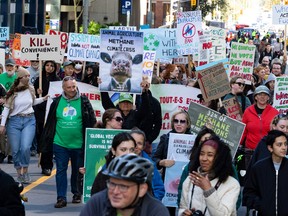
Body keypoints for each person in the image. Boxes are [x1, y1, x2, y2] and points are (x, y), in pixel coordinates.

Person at [39, 76, 96, 208]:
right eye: (69, 87)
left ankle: (76, 192)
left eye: (74, 86)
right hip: (60, 143)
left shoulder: (84, 101)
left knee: (77, 170)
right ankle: (61, 198)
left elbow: (91, 120)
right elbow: (51, 122)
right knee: (60, 170)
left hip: (78, 144)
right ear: (63, 88)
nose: (72, 90)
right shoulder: (57, 102)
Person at [0, 67, 49, 183]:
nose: (28, 78)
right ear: (20, 78)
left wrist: (43, 98)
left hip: (29, 120)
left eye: (28, 76)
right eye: (26, 76)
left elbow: (33, 102)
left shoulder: (31, 89)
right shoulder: (12, 92)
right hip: (14, 122)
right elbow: (6, 108)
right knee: (16, 150)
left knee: (25, 147)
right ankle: (19, 172)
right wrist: (2, 125)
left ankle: (25, 170)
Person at [80, 154, 170, 216]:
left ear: (142, 189)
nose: (115, 191)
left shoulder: (155, 211)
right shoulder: (96, 203)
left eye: (123, 187)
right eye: (112, 184)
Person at [178, 136, 240, 216]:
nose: (204, 159)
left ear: (220, 158)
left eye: (210, 155)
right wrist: (183, 213)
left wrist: (208, 190)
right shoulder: (190, 179)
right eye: (201, 154)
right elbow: (182, 207)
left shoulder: (232, 184)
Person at [152, 110, 192, 215]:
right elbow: (154, 159)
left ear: (187, 124)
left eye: (182, 121)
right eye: (176, 121)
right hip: (169, 184)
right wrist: (161, 162)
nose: (179, 124)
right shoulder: (165, 138)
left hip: (188, 183)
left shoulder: (194, 140)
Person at [243, 130, 288, 215]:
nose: (284, 147)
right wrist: (261, 204)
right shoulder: (258, 168)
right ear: (270, 148)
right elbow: (248, 193)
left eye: (285, 144)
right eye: (279, 145)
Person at [241, 85, 278, 175]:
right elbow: (243, 131)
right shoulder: (248, 111)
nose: (262, 97)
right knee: (250, 175)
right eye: (259, 94)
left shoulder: (274, 112)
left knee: (266, 176)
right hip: (250, 151)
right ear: (255, 97)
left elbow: (277, 133)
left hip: (267, 151)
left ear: (268, 97)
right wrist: (237, 145)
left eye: (265, 95)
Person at [34, 60, 60, 176]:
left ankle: (47, 166)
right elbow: (32, 97)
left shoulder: (57, 81)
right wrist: (37, 91)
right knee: (40, 138)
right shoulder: (38, 80)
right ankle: (42, 159)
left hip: (51, 113)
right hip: (39, 112)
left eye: (52, 66)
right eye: (47, 65)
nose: (49, 68)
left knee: (48, 138)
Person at [177, 126, 216, 206]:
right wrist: (183, 210)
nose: (206, 145)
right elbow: (181, 191)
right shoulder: (190, 166)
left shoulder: (227, 168)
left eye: (208, 141)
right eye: (202, 142)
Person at [130, 128, 165, 201]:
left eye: (139, 143)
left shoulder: (150, 164)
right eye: (133, 142)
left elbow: (159, 188)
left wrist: (151, 204)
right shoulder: (116, 160)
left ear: (143, 147)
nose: (136, 146)